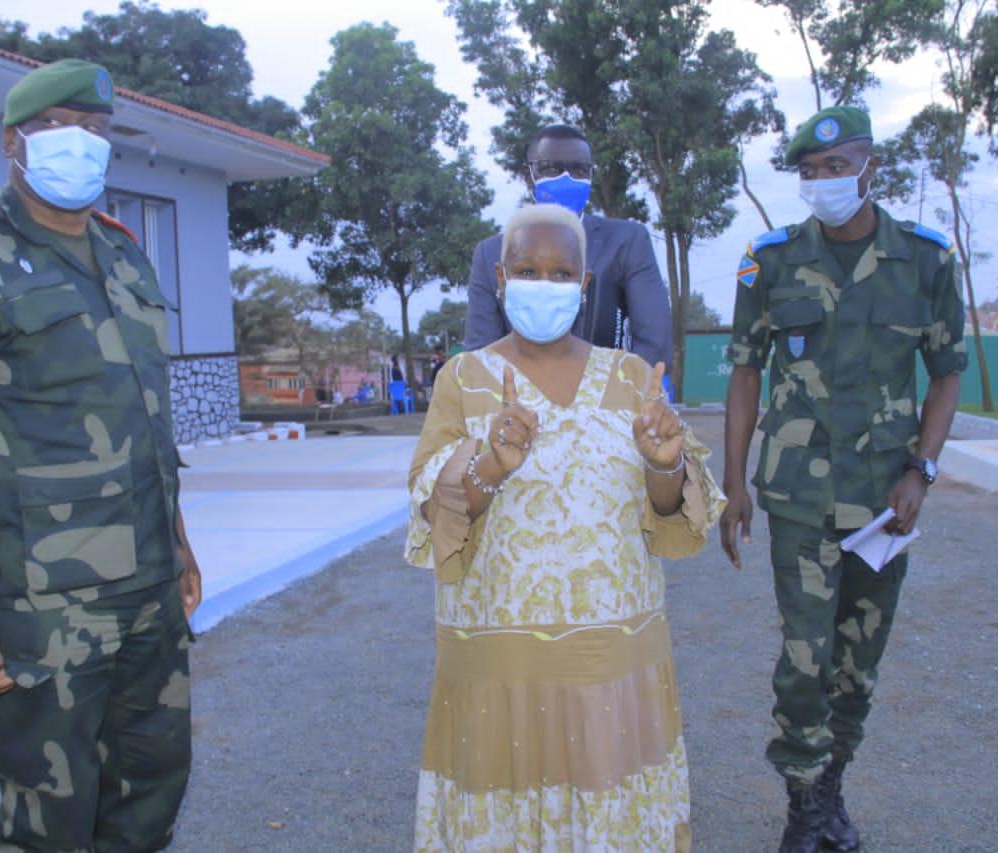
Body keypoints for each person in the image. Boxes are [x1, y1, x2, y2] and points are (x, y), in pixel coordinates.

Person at [0, 59, 202, 851]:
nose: (80, 142)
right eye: (58, 126)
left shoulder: (124, 255)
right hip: (45, 603)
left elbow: (147, 418)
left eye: (94, 129)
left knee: (151, 794)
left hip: (150, 588)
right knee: (48, 819)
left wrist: (179, 540)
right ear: (12, 141)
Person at [407, 204, 723, 851]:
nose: (543, 284)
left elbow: (668, 514)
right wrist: (492, 464)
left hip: (611, 660)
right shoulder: (461, 379)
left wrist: (664, 464)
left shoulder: (632, 377)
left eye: (560, 273)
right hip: (498, 661)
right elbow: (438, 516)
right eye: (527, 270)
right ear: (500, 277)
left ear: (584, 284)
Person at [720, 106, 966, 853]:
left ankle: (831, 791)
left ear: (869, 169)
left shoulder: (924, 260)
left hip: (883, 500)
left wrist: (922, 468)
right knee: (805, 658)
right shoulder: (769, 261)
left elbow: (946, 373)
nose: (821, 180)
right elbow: (744, 373)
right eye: (809, 170)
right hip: (797, 494)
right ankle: (801, 804)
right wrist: (733, 484)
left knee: (857, 662)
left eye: (836, 166)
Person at [463, 124, 673, 369]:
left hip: (611, 387)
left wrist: (626, 388)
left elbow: (653, 338)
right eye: (551, 168)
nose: (566, 178)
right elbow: (481, 352)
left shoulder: (626, 242)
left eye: (579, 170)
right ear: (528, 176)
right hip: (513, 390)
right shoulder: (490, 253)